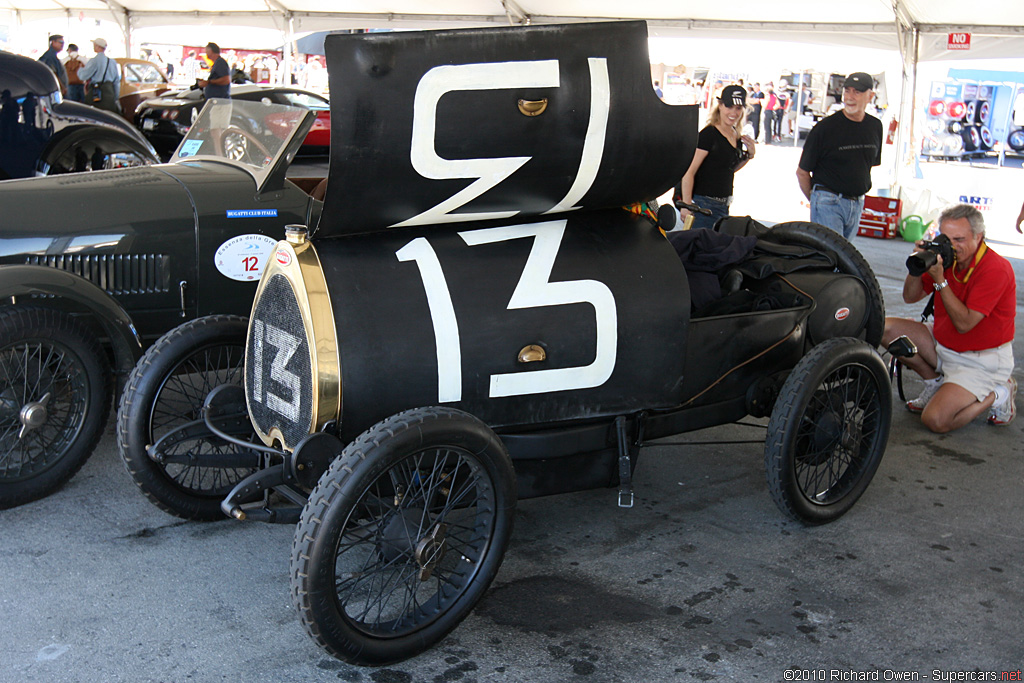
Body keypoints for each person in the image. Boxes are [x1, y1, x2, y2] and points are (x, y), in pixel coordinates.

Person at [882, 204, 1016, 432]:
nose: (952, 246)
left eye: (959, 239)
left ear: (978, 237)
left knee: (935, 420)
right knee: (884, 327)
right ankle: (934, 382)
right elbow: (909, 297)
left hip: (979, 361)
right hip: (944, 345)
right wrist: (918, 265)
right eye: (947, 238)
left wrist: (940, 281)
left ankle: (998, 392)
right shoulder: (944, 259)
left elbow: (964, 324)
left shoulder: (996, 268)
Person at [795, 72, 883, 240]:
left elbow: (866, 165)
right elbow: (802, 172)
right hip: (828, 201)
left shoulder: (875, 126)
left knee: (844, 261)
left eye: (857, 92)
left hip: (857, 203)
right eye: (847, 91)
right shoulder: (825, 128)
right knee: (832, 257)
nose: (850, 97)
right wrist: (817, 201)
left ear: (870, 96)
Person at [677, 85, 756, 231]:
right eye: (729, 106)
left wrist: (749, 155)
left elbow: (727, 169)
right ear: (720, 105)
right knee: (699, 249)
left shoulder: (735, 134)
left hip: (723, 205)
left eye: (738, 108)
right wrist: (686, 205)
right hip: (704, 205)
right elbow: (689, 171)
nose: (733, 112)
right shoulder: (709, 134)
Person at [77, 38, 120, 114]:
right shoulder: (112, 62)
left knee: (95, 115)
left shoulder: (94, 61)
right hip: (109, 92)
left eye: (94, 45)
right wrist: (115, 97)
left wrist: (80, 69)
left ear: (98, 47)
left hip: (96, 93)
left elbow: (83, 76)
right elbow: (116, 82)